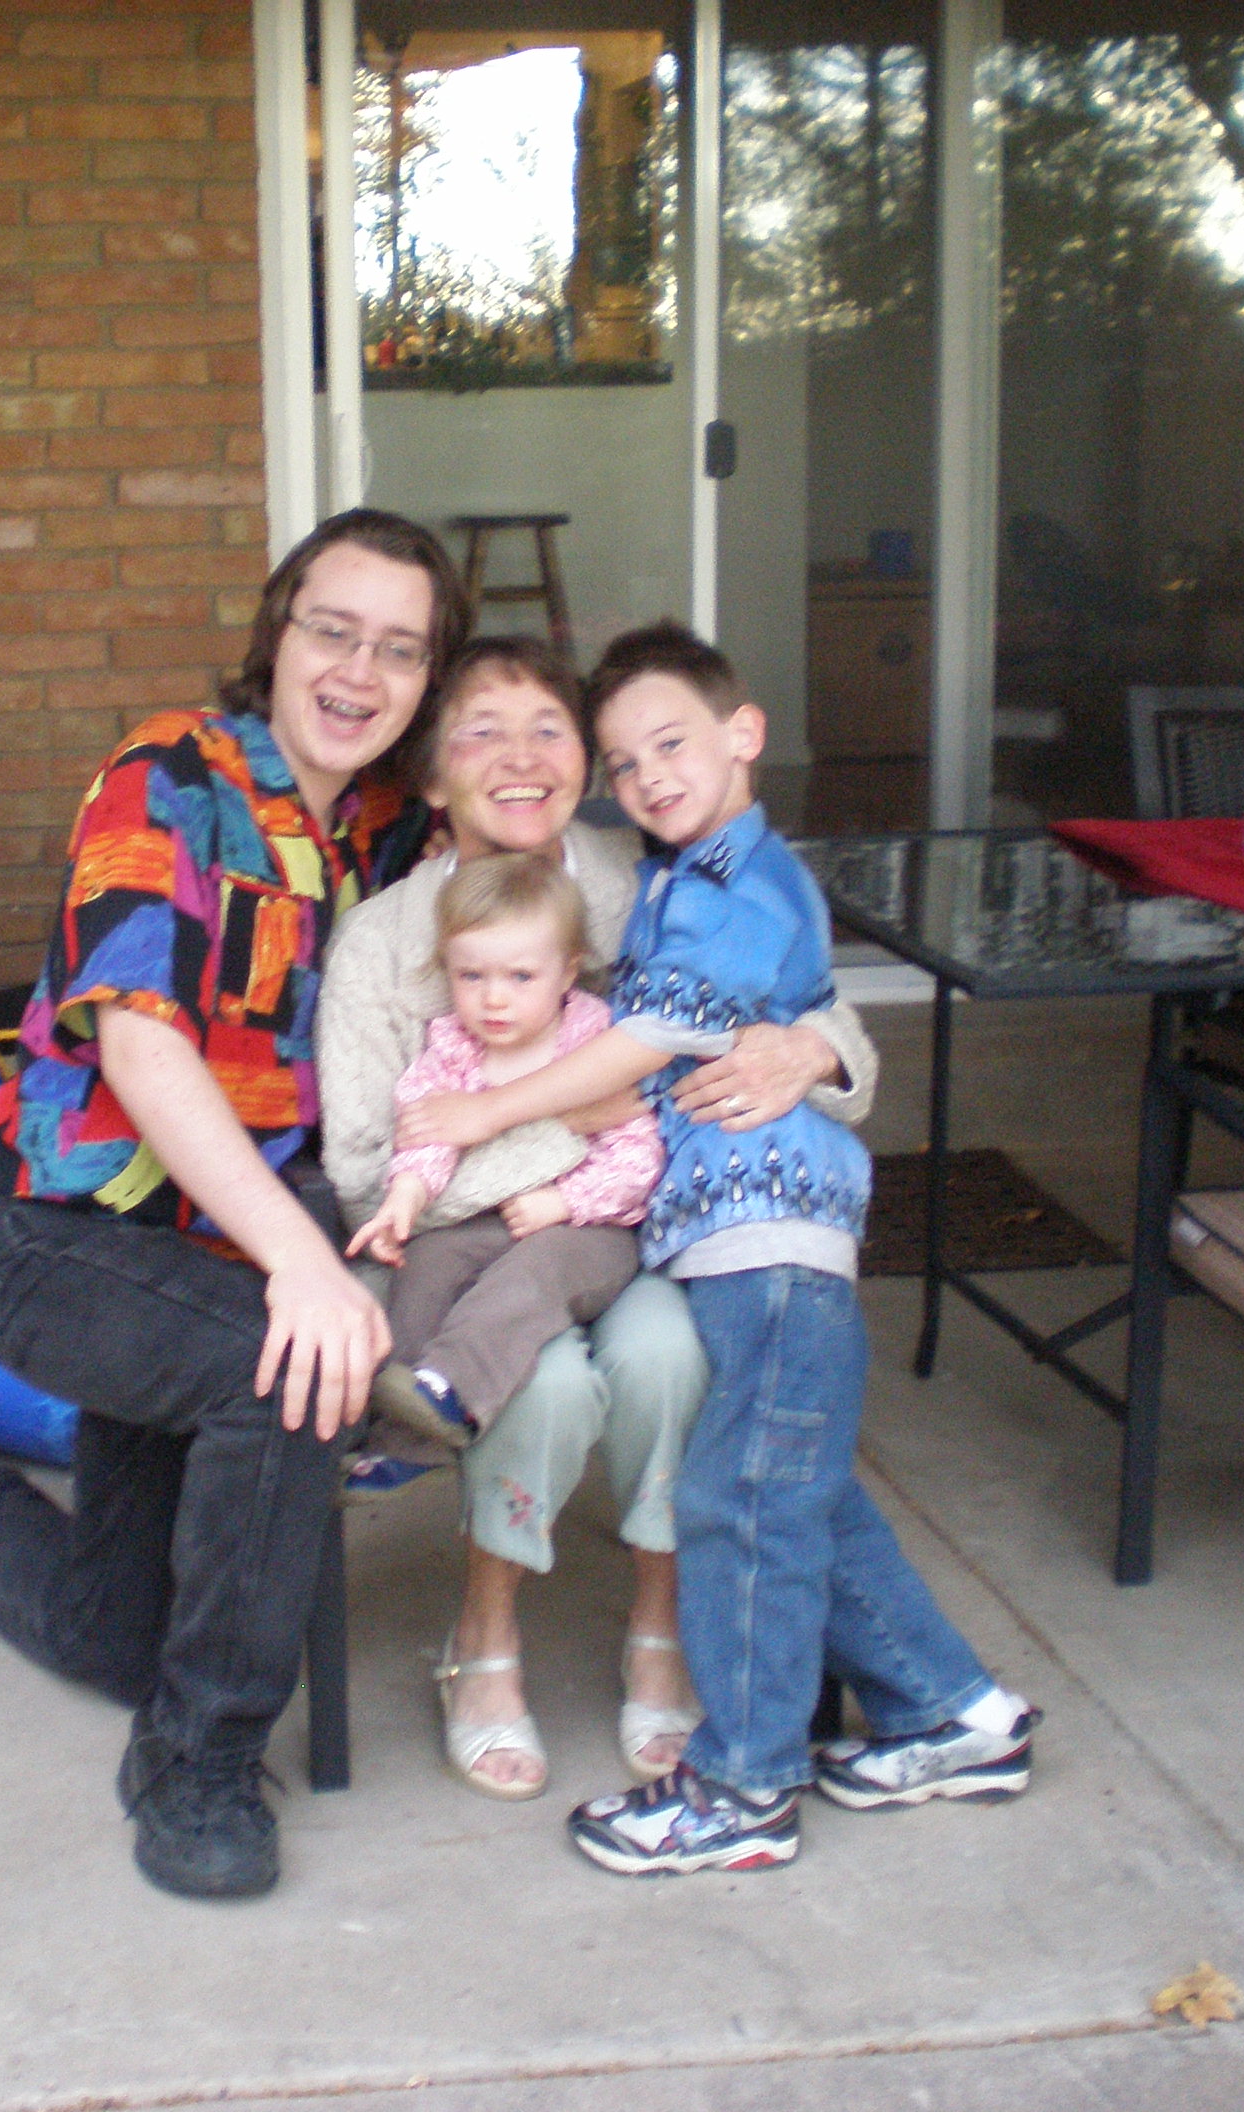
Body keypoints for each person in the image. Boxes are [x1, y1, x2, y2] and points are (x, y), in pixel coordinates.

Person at [0, 508, 462, 1902]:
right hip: (55, 1235)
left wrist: (787, 1037)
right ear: (276, 633)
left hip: (201, 1258)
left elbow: (553, 888)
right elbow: (139, 1045)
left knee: (116, 1635)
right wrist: (303, 1264)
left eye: (400, 650)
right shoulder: (167, 777)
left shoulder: (393, 834)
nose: (359, 672)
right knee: (285, 1368)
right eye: (333, 631)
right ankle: (195, 1764)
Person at [394, 622, 1037, 1878]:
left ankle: (742, 1787)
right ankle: (952, 1714)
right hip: (708, 1235)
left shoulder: (725, 884)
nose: (646, 777)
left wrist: (488, 1108)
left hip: (761, 1230)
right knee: (796, 1485)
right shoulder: (671, 871)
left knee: (738, 1500)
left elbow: (669, 1039)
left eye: (665, 746)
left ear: (743, 734)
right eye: (626, 762)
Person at [316, 635, 879, 1800]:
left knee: (671, 1351)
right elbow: (366, 1167)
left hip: (633, 1234)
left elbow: (812, 1007)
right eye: (481, 732)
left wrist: (812, 1051)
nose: (520, 758)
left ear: (586, 762)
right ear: (431, 777)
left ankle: (659, 1626)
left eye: (549, 731)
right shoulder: (380, 940)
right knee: (551, 1382)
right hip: (454, 1254)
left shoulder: (646, 882)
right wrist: (569, 1138)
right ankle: (484, 1636)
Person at [347, 853, 662, 1466]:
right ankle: (401, 1441)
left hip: (589, 1230)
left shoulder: (597, 1042)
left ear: (567, 972)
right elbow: (427, 1130)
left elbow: (639, 1155)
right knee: (426, 1265)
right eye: (471, 976)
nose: (494, 999)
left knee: (532, 1275)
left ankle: (455, 1389)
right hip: (483, 1221)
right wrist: (406, 1197)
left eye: (521, 977)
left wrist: (564, 1201)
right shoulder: (453, 1046)